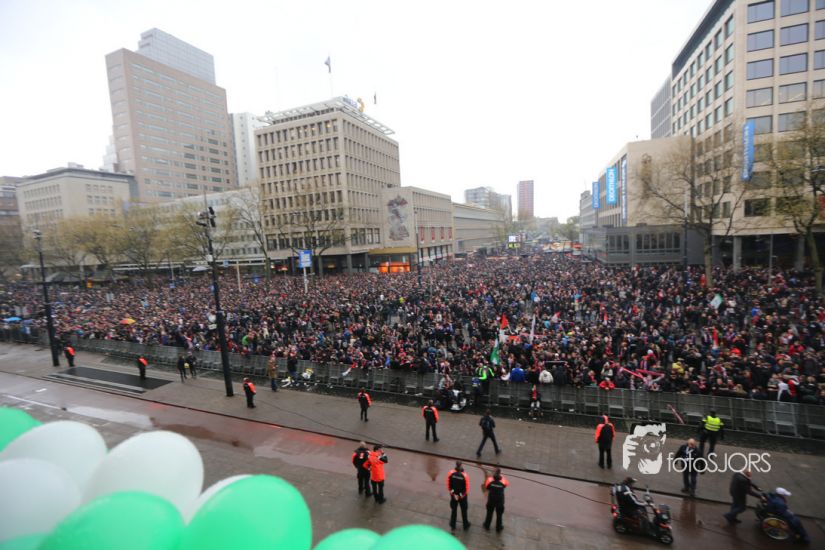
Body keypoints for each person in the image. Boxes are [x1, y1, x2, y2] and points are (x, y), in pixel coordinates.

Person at [446, 461, 471, 531]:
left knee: (454, 510)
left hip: (454, 496)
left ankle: (453, 525)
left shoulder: (450, 473)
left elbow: (449, 486)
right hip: (462, 497)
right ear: (461, 466)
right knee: (464, 511)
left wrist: (454, 494)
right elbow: (466, 488)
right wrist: (460, 495)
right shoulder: (465, 475)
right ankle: (465, 525)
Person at [483, 467, 509, 532]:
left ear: (494, 473)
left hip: (491, 500)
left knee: (489, 514)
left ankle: (487, 525)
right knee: (499, 515)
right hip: (500, 501)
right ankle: (498, 528)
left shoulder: (489, 480)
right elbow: (506, 485)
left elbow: (486, 487)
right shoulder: (503, 480)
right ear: (500, 473)